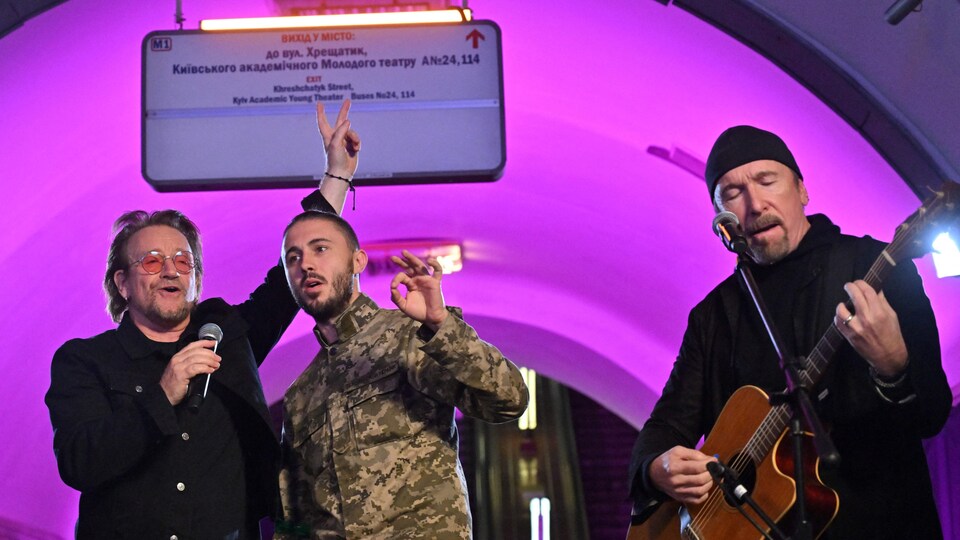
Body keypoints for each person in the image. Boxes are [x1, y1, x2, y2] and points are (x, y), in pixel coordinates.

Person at [45, 101, 360, 539]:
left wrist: (337, 175)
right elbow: (80, 462)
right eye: (152, 261)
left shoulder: (229, 339)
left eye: (182, 261)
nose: (170, 270)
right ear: (122, 283)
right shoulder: (85, 361)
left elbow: (282, 285)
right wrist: (162, 394)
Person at [628, 126, 952, 539]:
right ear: (721, 219)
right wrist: (657, 467)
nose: (755, 205)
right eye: (733, 193)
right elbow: (666, 426)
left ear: (801, 189)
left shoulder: (874, 266)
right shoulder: (714, 316)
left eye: (767, 181)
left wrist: (894, 367)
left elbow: (932, 414)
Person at [274, 210, 529, 537]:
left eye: (320, 249)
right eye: (293, 258)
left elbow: (509, 400)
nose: (306, 264)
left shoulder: (412, 336)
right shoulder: (301, 393)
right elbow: (293, 517)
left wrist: (442, 326)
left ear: (358, 261)